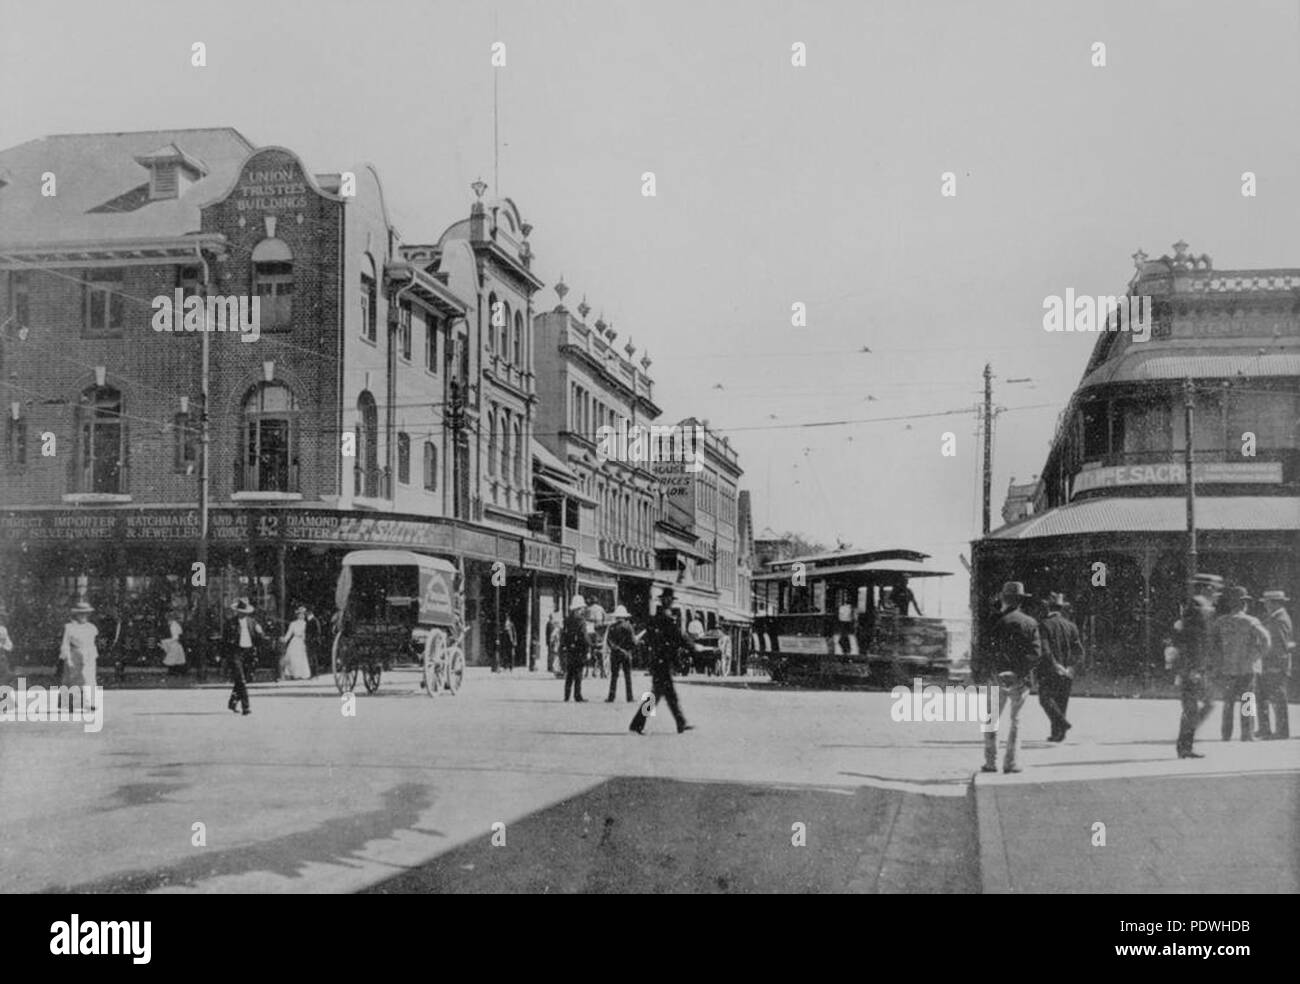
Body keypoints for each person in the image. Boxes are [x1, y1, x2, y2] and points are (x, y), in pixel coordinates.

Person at [976, 582, 1041, 774]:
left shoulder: (993, 621)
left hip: (996, 678)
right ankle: (1011, 763)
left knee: (991, 719)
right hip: (1019, 680)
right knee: (1016, 720)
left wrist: (994, 672)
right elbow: (1036, 653)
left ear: (1003, 599)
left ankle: (990, 762)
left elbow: (985, 651)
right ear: (1021, 600)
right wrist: (1018, 672)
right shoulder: (1030, 623)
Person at [1170, 574, 1222, 759]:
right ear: (1207, 589)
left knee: (1199, 706)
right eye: (1215, 589)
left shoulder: (1201, 608)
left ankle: (1185, 744)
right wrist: (1194, 668)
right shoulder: (1197, 608)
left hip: (1196, 666)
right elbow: (1193, 642)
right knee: (1196, 706)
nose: (1217, 594)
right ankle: (1184, 745)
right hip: (1193, 667)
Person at [629, 588, 694, 734]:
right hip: (662, 662)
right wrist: (692, 647)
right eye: (668, 599)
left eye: (670, 599)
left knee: (664, 695)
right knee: (659, 695)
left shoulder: (657, 618)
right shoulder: (665, 618)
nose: (669, 602)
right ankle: (638, 724)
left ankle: (679, 722)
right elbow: (678, 637)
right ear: (664, 601)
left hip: (659, 661)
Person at [1214, 585, 1270, 742]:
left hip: (1228, 667)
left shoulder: (1221, 622)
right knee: (1247, 700)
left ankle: (1226, 734)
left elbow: (1213, 644)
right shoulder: (1251, 621)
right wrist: (1257, 655)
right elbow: (1266, 639)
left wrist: (1220, 659)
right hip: (1247, 667)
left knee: (1228, 702)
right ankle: (1247, 733)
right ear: (1244, 603)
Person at [1037, 592, 1084, 742]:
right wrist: (1072, 668)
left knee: (1045, 699)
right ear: (1062, 608)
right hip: (1067, 671)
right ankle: (1058, 734)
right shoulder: (1071, 626)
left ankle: (1061, 724)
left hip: (1050, 670)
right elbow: (1080, 651)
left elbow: (1045, 649)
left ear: (1048, 607)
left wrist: (1054, 665)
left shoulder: (1044, 624)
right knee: (1061, 701)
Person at [1257, 590, 1293, 739]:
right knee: (1262, 696)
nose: (1265, 605)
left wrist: (1276, 664)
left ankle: (1281, 731)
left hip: (1275, 665)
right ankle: (1264, 729)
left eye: (1267, 602)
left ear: (1274, 603)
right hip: (1270, 663)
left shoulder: (1279, 619)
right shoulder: (1275, 617)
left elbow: (1281, 644)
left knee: (1278, 698)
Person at [222, 598, 265, 716]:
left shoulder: (253, 622)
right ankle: (246, 707)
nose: (243, 614)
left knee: (244, 679)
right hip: (236, 652)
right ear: (237, 612)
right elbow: (224, 640)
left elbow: (260, 637)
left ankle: (233, 701)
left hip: (249, 652)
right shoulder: (230, 623)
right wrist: (225, 656)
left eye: (244, 612)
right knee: (241, 680)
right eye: (240, 611)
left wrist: (260, 632)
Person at [59, 601, 100, 712]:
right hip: (75, 655)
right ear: (75, 615)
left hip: (89, 655)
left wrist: (93, 655)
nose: (83, 616)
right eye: (80, 614)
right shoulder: (69, 627)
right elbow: (65, 643)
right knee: (74, 679)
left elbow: (93, 642)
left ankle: (89, 702)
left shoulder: (91, 627)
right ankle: (71, 703)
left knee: (89, 679)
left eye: (85, 614)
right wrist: (67, 657)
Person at [605, 605, 637, 703]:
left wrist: (616, 648)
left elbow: (608, 641)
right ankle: (629, 697)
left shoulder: (612, 627)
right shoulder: (628, 626)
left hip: (614, 654)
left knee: (614, 676)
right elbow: (633, 642)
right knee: (627, 676)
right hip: (626, 654)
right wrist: (627, 650)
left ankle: (611, 697)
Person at [561, 595, 589, 702]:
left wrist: (566, 646)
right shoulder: (581, 621)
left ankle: (566, 696)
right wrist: (588, 647)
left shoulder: (567, 620)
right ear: (579, 609)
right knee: (578, 674)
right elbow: (584, 636)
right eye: (582, 608)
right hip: (579, 650)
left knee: (569, 674)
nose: (582, 610)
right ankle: (577, 695)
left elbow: (564, 634)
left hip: (569, 650)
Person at [280, 605, 313, 680]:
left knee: (301, 658)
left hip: (301, 641)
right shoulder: (293, 624)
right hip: (294, 642)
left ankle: (302, 674)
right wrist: (285, 639)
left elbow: (305, 634)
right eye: (300, 614)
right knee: (292, 657)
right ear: (297, 615)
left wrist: (305, 642)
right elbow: (289, 633)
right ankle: (294, 674)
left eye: (303, 614)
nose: (302, 616)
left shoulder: (305, 624)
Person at [159, 607, 187, 676]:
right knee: (175, 660)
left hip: (174, 645)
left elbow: (176, 637)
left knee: (173, 660)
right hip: (175, 645)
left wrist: (166, 641)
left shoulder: (173, 626)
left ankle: (174, 673)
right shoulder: (174, 624)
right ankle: (174, 672)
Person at [0, 601, 15, 687]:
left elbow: (10, 646)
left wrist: (4, 642)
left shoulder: (3, 629)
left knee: (6, 675)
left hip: (1, 656)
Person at [546, 611, 562, 677]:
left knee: (552, 655)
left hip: (553, 642)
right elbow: (551, 635)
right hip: (554, 643)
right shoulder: (551, 624)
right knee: (553, 655)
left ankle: (551, 667)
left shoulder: (550, 624)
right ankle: (552, 667)